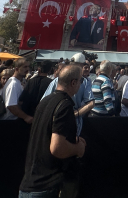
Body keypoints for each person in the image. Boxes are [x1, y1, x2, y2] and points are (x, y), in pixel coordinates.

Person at [18, 64, 87, 198]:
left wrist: (73, 140)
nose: (81, 84)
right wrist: (78, 148)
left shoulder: (45, 101)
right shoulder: (64, 105)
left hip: (31, 181)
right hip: (47, 185)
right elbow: (57, 148)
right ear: (73, 82)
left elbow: (47, 134)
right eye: (80, 80)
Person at [2, 58, 32, 122]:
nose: (27, 69)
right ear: (17, 69)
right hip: (10, 121)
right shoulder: (13, 83)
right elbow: (11, 105)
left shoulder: (17, 82)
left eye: (28, 67)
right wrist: (26, 117)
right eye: (25, 67)